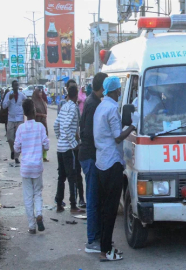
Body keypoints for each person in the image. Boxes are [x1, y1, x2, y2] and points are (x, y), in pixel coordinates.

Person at [93, 76, 139, 261]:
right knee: (111, 210)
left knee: (105, 208)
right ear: (113, 90)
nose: (121, 92)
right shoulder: (111, 109)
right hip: (112, 163)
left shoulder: (101, 107)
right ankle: (106, 251)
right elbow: (118, 137)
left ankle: (104, 246)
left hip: (101, 162)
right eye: (119, 89)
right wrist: (133, 126)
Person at [79, 72, 108, 253]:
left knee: (95, 198)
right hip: (90, 156)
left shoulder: (92, 101)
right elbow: (89, 133)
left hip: (90, 155)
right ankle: (91, 241)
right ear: (103, 87)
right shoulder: (94, 104)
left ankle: (95, 237)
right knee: (92, 199)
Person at [14, 99, 49, 234]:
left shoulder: (21, 128)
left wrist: (23, 148)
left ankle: (31, 226)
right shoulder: (40, 127)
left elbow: (17, 148)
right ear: (34, 111)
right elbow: (46, 145)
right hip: (37, 166)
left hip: (26, 167)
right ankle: (39, 213)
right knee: (38, 193)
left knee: (28, 196)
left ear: (24, 112)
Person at [53, 85, 85, 214]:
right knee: (72, 177)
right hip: (68, 149)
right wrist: (73, 143)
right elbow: (66, 126)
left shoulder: (64, 106)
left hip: (60, 148)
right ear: (76, 95)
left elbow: (56, 125)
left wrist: (60, 138)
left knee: (61, 177)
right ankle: (73, 205)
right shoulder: (73, 107)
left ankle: (59, 203)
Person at [3, 80, 27, 165]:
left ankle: (16, 157)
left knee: (18, 139)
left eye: (17, 85)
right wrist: (9, 100)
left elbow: (26, 101)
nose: (16, 87)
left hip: (19, 119)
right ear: (12, 87)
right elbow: (4, 106)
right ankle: (12, 150)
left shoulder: (21, 95)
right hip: (11, 119)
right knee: (10, 138)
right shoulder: (8, 94)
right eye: (15, 86)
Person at [32, 89, 49, 162]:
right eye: (39, 92)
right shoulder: (33, 102)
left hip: (43, 122)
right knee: (37, 140)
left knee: (44, 138)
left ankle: (44, 156)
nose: (40, 94)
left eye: (41, 92)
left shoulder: (42, 101)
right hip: (37, 122)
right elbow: (32, 113)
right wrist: (42, 115)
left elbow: (45, 111)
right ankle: (38, 155)